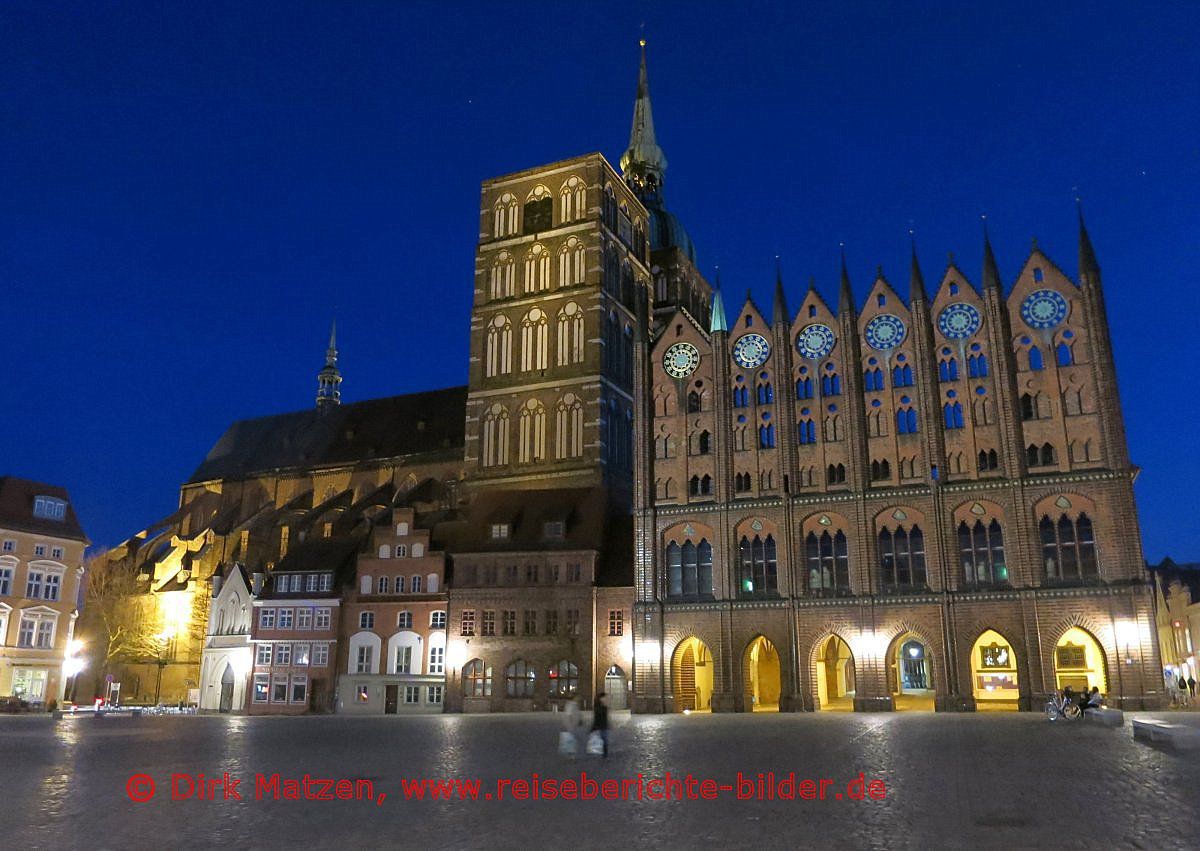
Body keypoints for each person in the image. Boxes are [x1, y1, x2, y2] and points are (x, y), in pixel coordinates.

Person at [591, 691, 609, 758]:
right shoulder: (599, 707)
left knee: (604, 740)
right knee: (604, 740)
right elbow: (597, 717)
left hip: (604, 726)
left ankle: (604, 754)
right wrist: (594, 727)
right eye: (605, 698)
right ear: (601, 698)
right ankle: (604, 754)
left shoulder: (604, 706)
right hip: (601, 726)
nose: (606, 699)